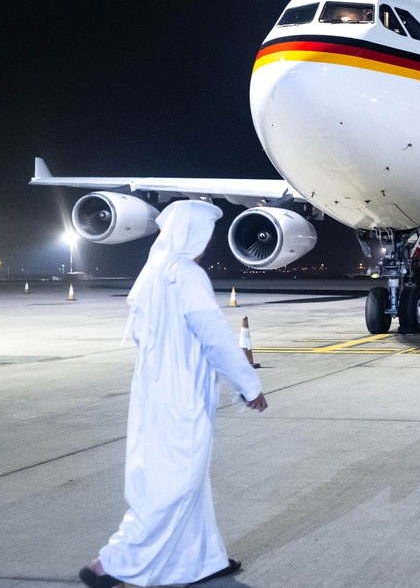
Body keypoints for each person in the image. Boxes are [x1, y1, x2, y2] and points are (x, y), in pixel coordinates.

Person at [79, 201, 268, 588]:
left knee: (184, 481)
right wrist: (249, 386)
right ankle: (113, 562)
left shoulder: (152, 273)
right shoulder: (186, 274)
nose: (208, 243)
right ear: (193, 233)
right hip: (181, 397)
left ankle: (201, 560)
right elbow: (213, 336)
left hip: (152, 391)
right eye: (206, 235)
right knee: (173, 484)